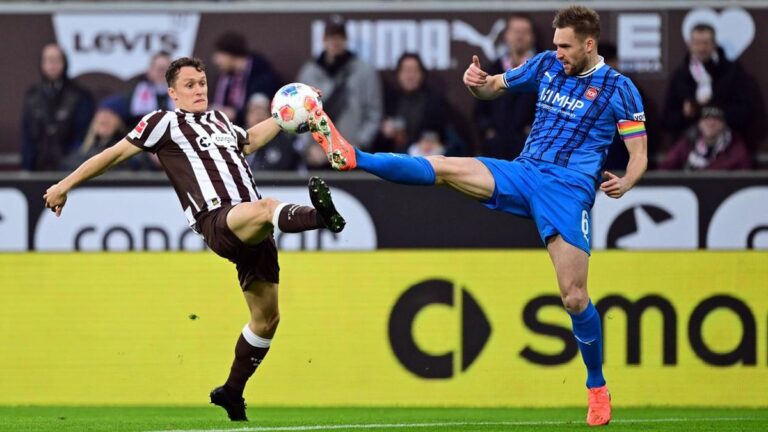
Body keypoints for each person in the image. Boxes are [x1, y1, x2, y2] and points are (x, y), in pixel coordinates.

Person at [309, 5, 648, 426]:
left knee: (574, 297)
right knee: (447, 167)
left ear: (589, 44)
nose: (557, 51)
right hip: (523, 172)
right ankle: (353, 155)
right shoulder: (545, 63)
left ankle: (596, 387)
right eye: (556, 44)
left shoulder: (619, 89)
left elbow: (638, 156)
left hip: (568, 191)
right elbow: (492, 88)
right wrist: (477, 83)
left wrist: (628, 182)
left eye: (565, 45)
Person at [43, 57, 346, 422]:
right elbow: (113, 154)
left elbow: (248, 141)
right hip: (217, 219)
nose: (199, 89)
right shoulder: (162, 123)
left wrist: (293, 112)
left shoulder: (219, 121)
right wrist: (64, 186)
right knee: (266, 208)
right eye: (189, 85)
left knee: (267, 320)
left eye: (202, 82)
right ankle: (321, 218)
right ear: (172, 92)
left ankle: (232, 392)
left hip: (251, 229)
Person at [295, 14, 382, 168]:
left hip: (353, 154)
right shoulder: (309, 72)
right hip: (317, 156)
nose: (335, 41)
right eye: (331, 37)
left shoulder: (364, 71)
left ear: (346, 39)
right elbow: (299, 115)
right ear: (324, 39)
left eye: (339, 37)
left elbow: (374, 113)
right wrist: (310, 147)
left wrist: (358, 144)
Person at [662, 24, 758, 141]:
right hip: (689, 143)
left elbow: (746, 113)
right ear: (689, 44)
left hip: (728, 141)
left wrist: (717, 114)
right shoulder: (680, 77)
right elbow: (667, 121)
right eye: (697, 43)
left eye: (706, 43)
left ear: (714, 44)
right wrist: (685, 114)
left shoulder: (732, 72)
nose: (702, 48)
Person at [474, 14, 538, 160]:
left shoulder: (542, 71)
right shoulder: (492, 69)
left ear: (533, 37)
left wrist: (529, 132)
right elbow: (479, 110)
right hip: (495, 151)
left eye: (524, 32)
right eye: (515, 31)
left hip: (529, 151)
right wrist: (488, 132)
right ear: (506, 36)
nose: (519, 37)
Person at [21, 43, 94, 171]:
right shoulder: (32, 96)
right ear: (41, 64)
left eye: (56, 60)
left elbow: (83, 136)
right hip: (38, 168)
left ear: (64, 62)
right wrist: (27, 167)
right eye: (48, 60)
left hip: (70, 168)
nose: (52, 65)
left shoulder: (79, 95)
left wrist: (74, 163)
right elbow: (27, 135)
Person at [376, 53, 453, 155]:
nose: (410, 76)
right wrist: (386, 133)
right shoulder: (389, 100)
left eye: (414, 71)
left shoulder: (435, 101)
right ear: (398, 74)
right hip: (395, 158)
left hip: (427, 158)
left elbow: (443, 134)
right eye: (405, 71)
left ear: (422, 74)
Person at [211, 31, 282, 126]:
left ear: (231, 53)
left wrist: (235, 113)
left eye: (220, 54)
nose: (215, 60)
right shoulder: (225, 77)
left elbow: (259, 112)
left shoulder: (261, 75)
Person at [659, 105, 752, 170]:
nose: (711, 123)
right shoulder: (687, 143)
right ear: (699, 123)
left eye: (716, 118)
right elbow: (665, 169)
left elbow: (744, 175)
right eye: (706, 118)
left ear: (724, 124)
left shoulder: (734, 146)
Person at [244, 93, 301, 171]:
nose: (259, 115)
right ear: (247, 116)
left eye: (263, 110)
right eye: (254, 110)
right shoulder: (236, 139)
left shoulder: (284, 141)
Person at [127, 51, 175, 126]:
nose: (161, 73)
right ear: (150, 71)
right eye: (158, 69)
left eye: (165, 69)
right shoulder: (136, 92)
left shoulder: (181, 92)